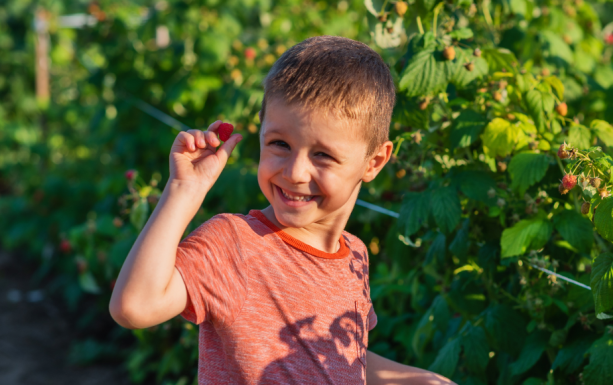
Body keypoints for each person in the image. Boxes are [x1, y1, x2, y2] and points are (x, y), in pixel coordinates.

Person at [109, 35, 454, 385]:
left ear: (374, 161)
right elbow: (135, 306)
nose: (294, 172)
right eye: (280, 144)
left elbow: (338, 358)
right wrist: (184, 190)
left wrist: (419, 379)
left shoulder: (355, 258)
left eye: (322, 155)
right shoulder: (235, 244)